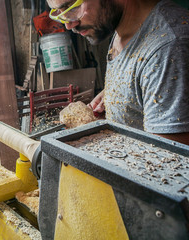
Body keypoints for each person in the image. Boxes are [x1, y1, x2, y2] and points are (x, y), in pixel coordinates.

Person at [47, 0, 189, 145]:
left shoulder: (168, 48)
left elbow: (167, 159)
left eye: (73, 7)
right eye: (59, 13)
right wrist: (116, 97)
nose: (69, 25)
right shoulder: (122, 28)